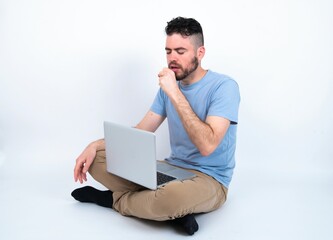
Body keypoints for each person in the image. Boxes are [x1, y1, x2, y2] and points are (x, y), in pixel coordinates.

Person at [71, 16, 240, 235]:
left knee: (173, 197)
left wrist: (174, 92)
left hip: (209, 179)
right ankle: (167, 210)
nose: (172, 58)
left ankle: (114, 199)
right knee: (96, 161)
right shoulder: (168, 89)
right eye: (168, 51)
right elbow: (140, 132)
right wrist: (94, 145)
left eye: (180, 51)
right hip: (171, 169)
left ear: (200, 53)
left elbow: (207, 145)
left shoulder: (224, 87)